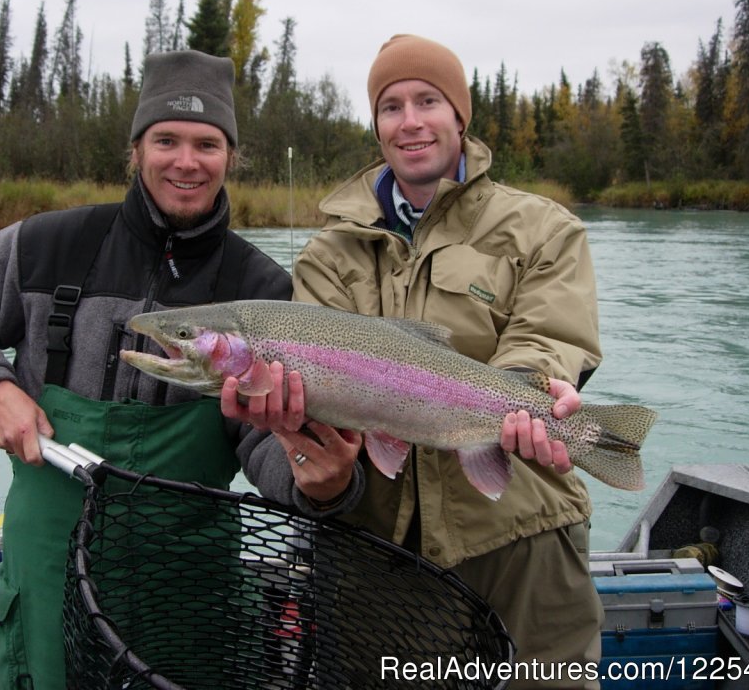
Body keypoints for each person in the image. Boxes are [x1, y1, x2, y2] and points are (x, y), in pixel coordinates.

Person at [0, 49, 363, 690]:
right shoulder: (44, 245)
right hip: (45, 567)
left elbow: (269, 449)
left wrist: (319, 482)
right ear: (136, 149)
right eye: (166, 140)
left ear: (230, 156)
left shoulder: (265, 292)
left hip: (188, 585)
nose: (186, 161)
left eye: (207, 143)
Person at [224, 34, 605, 689]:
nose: (411, 121)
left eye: (428, 100)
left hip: (525, 538)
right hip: (379, 556)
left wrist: (536, 393)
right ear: (377, 125)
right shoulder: (328, 256)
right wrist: (308, 447)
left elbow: (549, 335)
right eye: (391, 106)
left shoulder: (545, 229)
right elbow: (326, 390)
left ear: (460, 115)